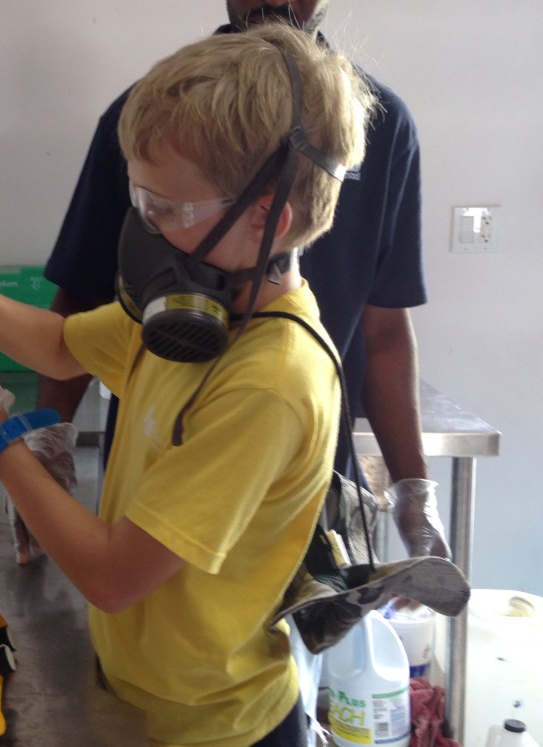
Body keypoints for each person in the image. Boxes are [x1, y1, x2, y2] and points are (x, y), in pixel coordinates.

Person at [0, 23, 374, 747]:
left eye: (168, 211)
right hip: (142, 700)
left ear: (267, 219)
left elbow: (113, 575)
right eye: (139, 201)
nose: (144, 231)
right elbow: (62, 345)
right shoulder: (194, 316)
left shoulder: (270, 380)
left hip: (217, 736)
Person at [36, 0, 450, 564]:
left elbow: (383, 331)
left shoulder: (383, 127)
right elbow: (78, 303)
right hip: (157, 481)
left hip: (300, 496)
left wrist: (413, 493)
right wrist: (46, 441)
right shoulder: (155, 116)